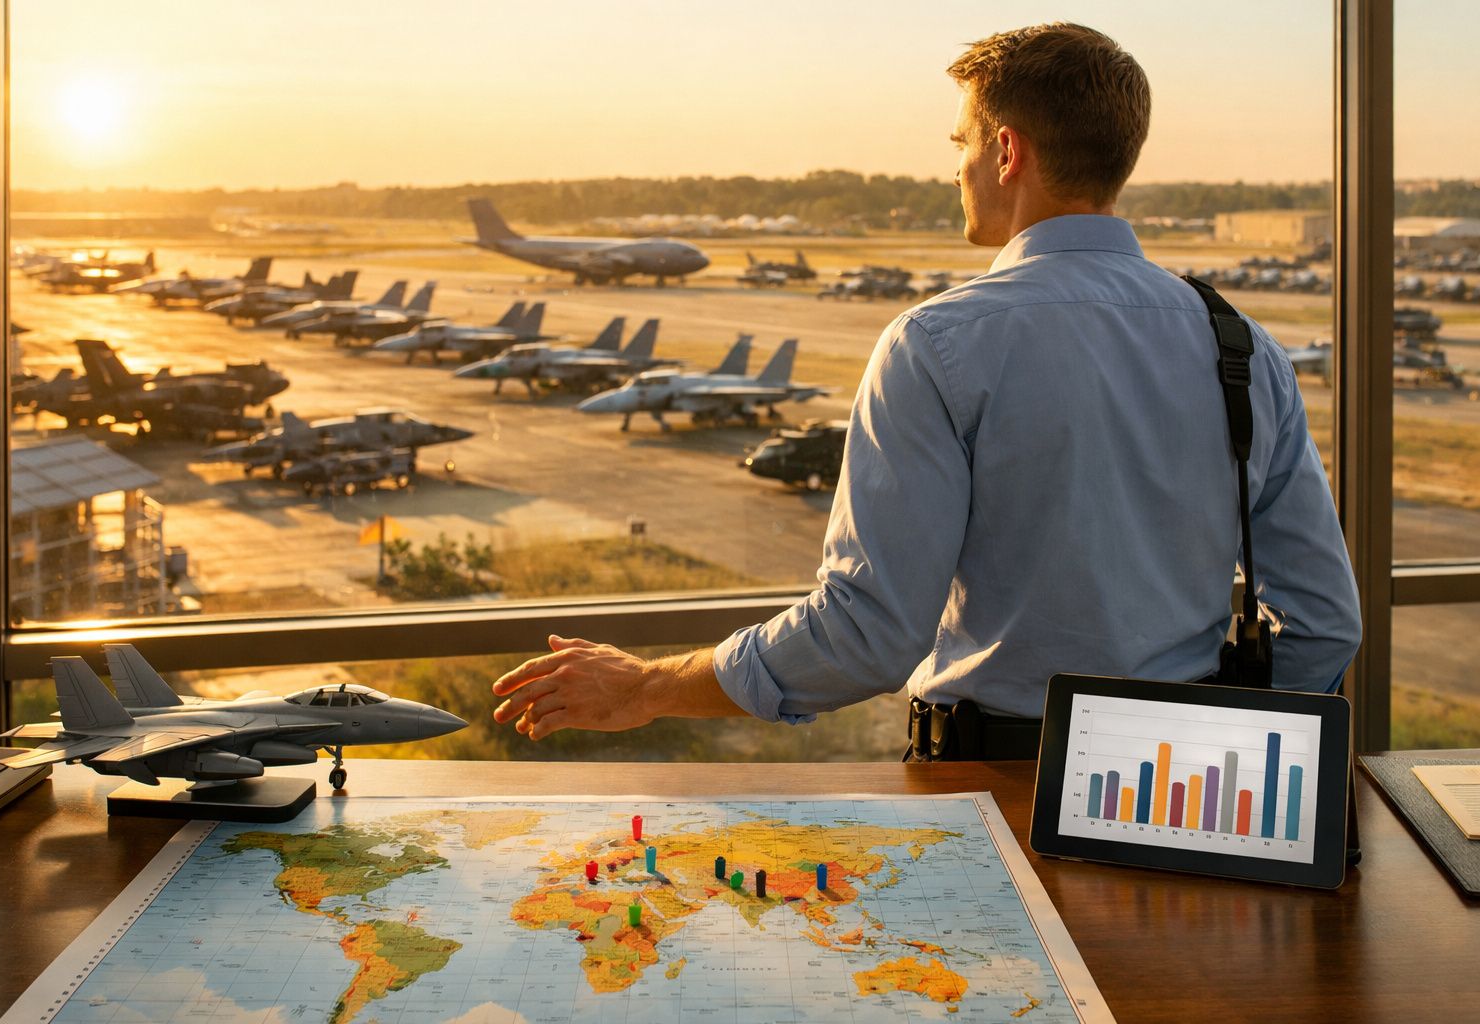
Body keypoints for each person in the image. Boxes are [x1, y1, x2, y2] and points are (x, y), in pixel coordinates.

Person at [491, 23, 1362, 759]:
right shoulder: (1240, 346)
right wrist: (1212, 754)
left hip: (996, 778)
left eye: (962, 145)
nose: (957, 171)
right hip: (1188, 784)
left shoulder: (937, 345)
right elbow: (1324, 621)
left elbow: (868, 632)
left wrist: (648, 685)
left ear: (1007, 150)